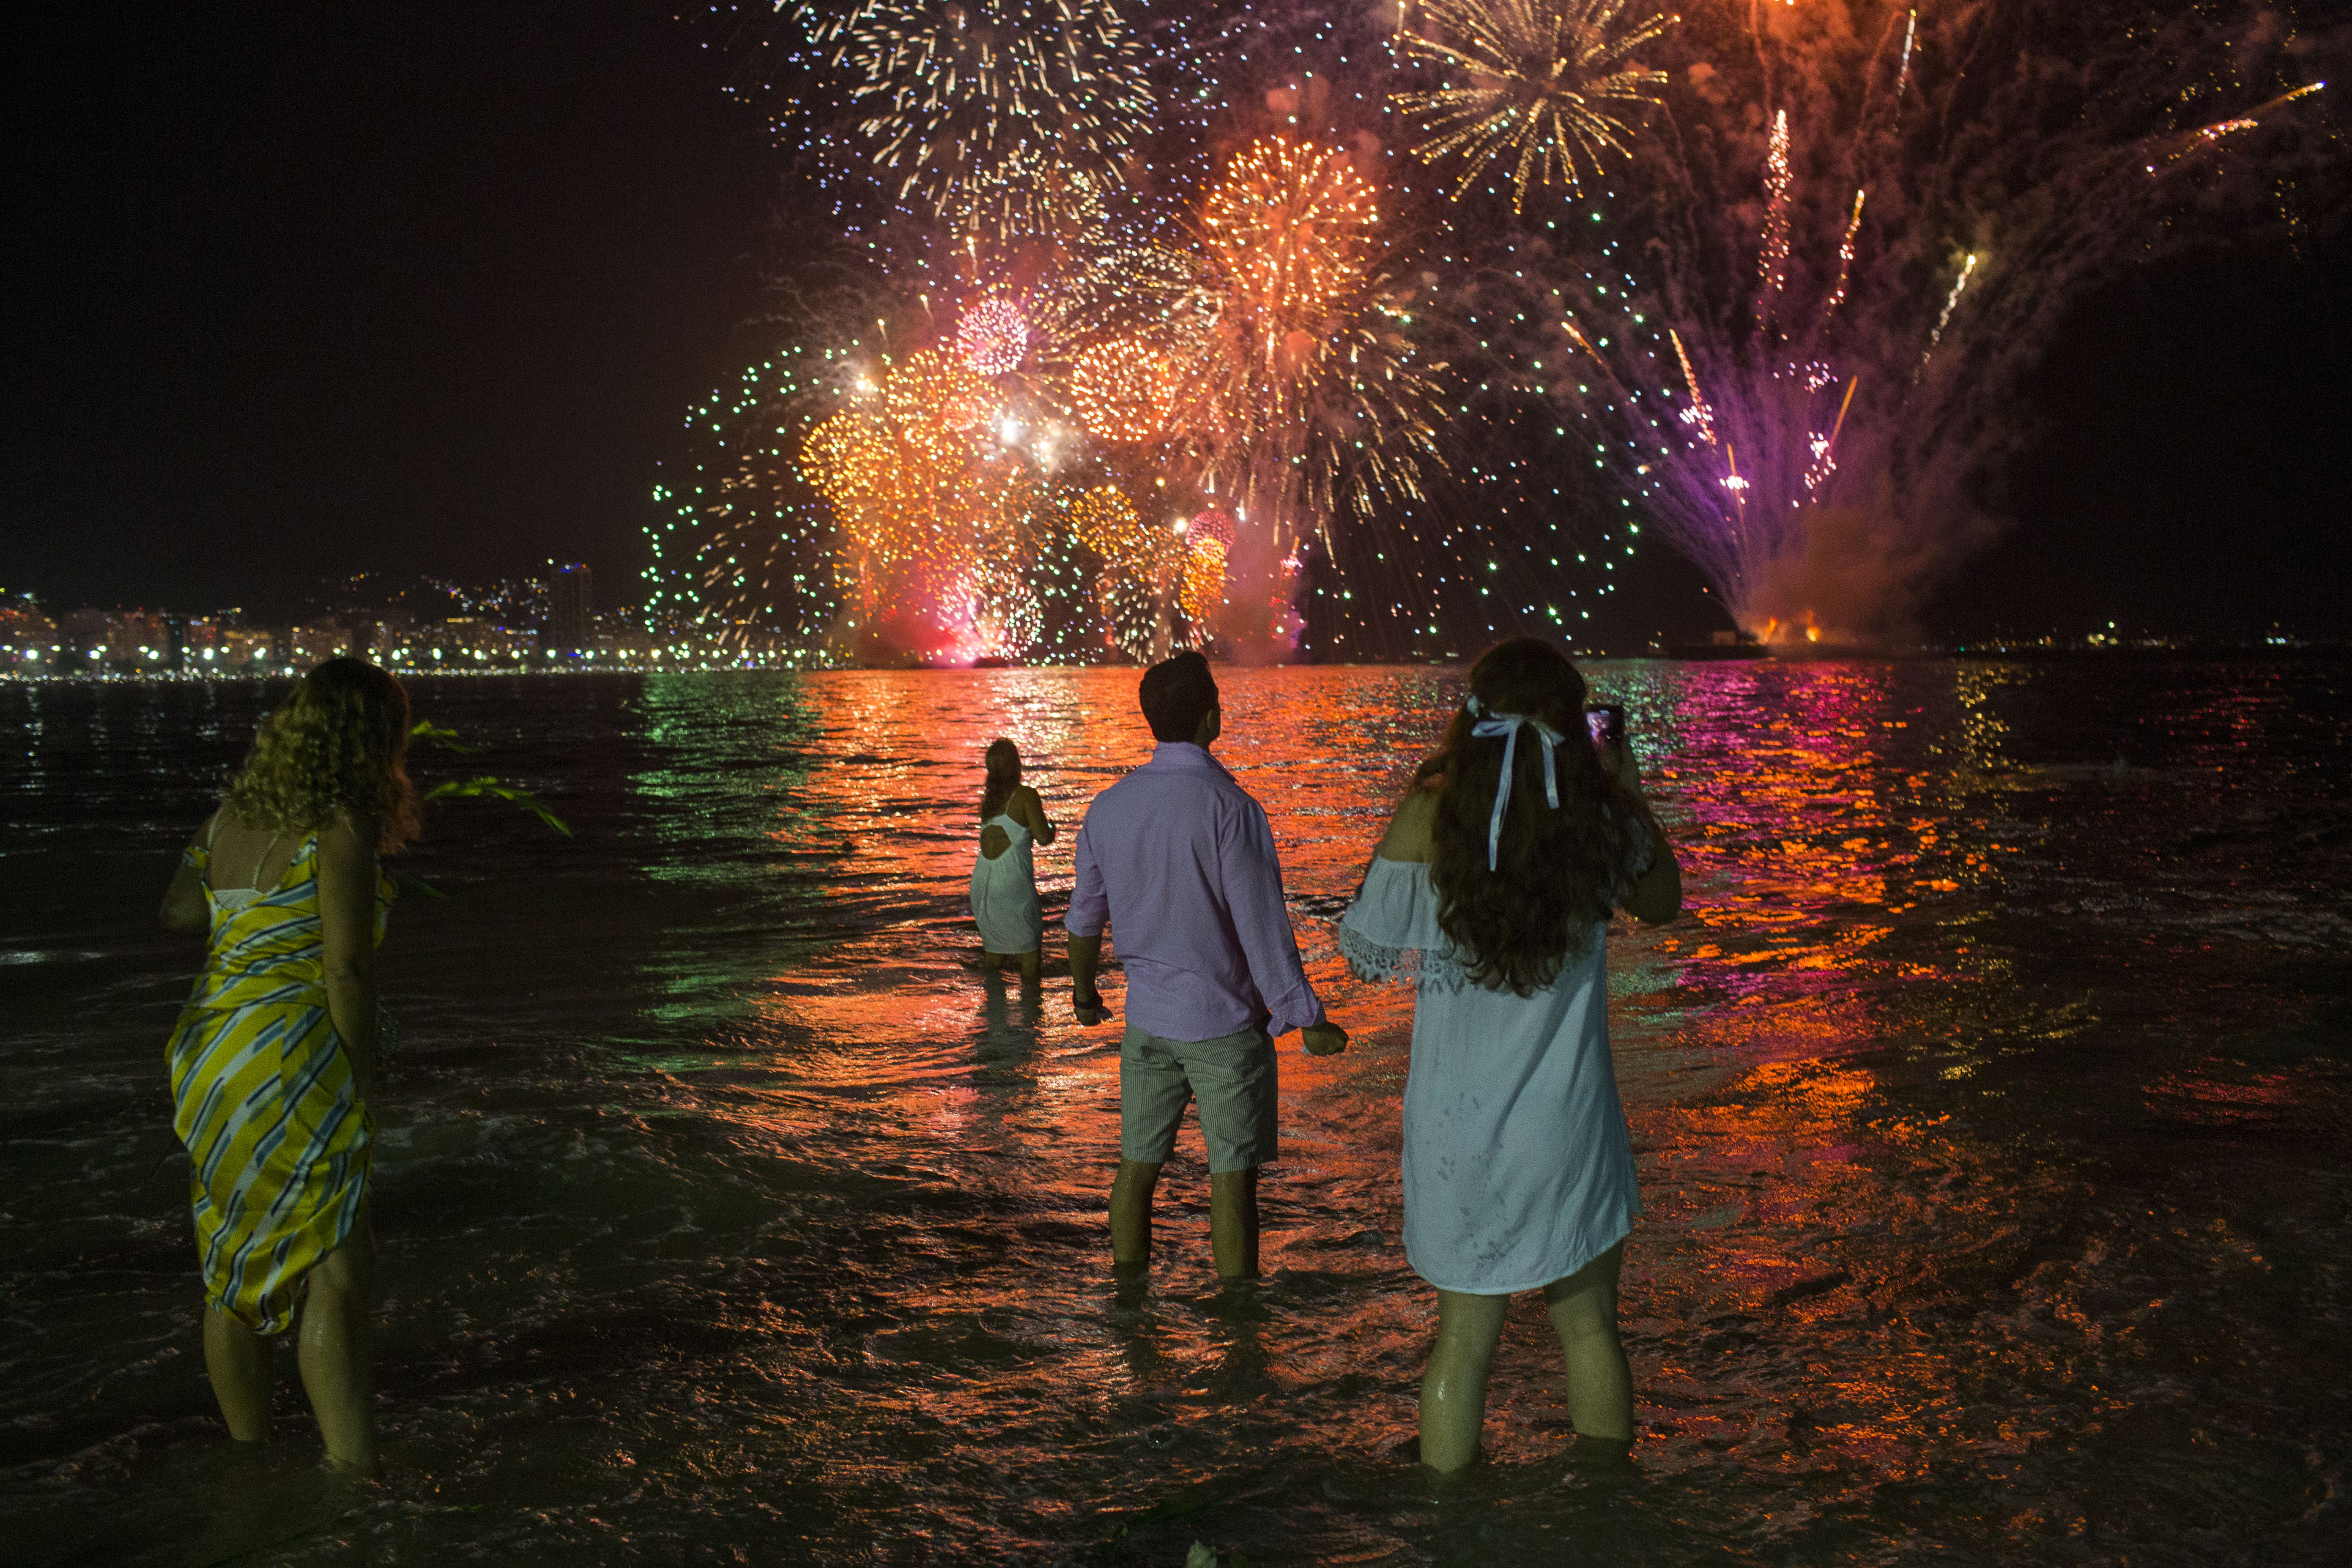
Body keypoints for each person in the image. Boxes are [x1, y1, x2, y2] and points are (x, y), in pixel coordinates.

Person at [1336, 637, 1681, 1474]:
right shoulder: (1596, 819)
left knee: (1463, 1344)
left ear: (1473, 717)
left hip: (1459, 1132)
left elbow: (1364, 944)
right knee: (1590, 1327)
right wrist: (1626, 793)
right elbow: (1666, 903)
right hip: (1568, 1126)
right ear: (1572, 722)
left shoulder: (1436, 815)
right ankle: (1603, 1515)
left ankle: (1448, 1525)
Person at [156, 657, 417, 1476]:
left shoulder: (228, 819)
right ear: (370, 743)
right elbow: (346, 971)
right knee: (335, 1261)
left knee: (230, 1262)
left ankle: (248, 1460)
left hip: (209, 1055)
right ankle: (353, 1471)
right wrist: (359, 1078)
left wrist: (243, 914)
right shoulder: (338, 829)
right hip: (290, 1053)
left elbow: (176, 912)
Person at [1065, 650, 1349, 1281]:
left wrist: (1085, 995)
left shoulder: (1108, 807)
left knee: (1136, 1168)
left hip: (1146, 1022)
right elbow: (1261, 926)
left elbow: (1084, 919)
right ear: (1212, 718)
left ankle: (1128, 1301)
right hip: (1223, 1026)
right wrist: (1304, 1015)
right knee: (1231, 1182)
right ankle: (1236, 1323)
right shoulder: (1231, 808)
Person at [969, 737, 1056, 982]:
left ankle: (994, 1012)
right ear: (1016, 765)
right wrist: (1052, 827)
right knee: (1030, 959)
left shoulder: (988, 804)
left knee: (994, 956)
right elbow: (1044, 837)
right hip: (1012, 881)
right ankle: (1031, 1013)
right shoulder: (1027, 796)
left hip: (984, 884)